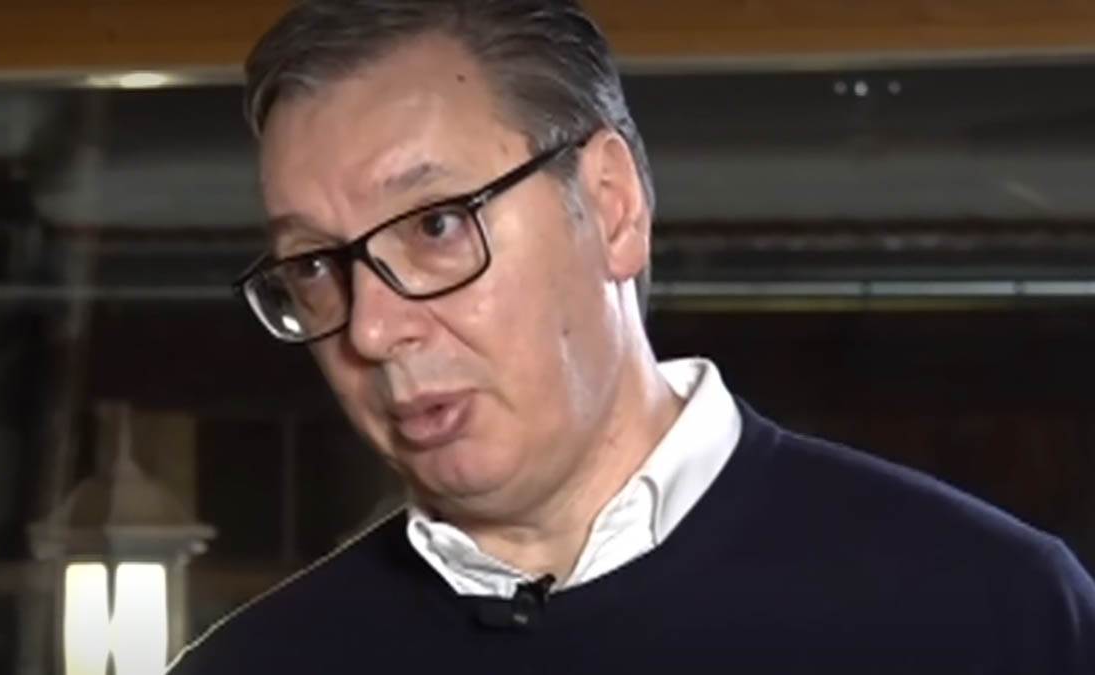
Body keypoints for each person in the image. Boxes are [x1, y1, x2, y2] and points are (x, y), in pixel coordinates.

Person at [168, 1, 1095, 672]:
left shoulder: (990, 610)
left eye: (436, 225)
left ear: (611, 206)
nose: (372, 328)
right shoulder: (255, 664)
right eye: (314, 266)